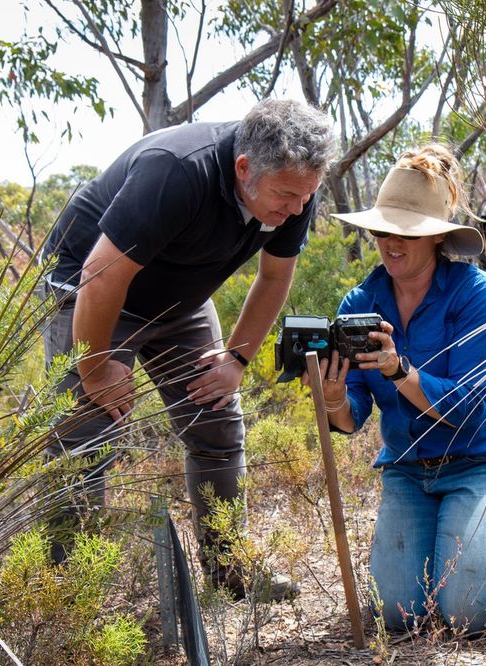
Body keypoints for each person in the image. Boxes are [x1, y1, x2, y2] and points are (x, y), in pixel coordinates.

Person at [41, 98, 335, 600]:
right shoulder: (177, 171)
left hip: (179, 300)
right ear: (244, 169)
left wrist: (236, 361)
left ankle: (230, 571)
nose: (297, 209)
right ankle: (66, 594)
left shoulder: (294, 190)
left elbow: (275, 275)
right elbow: (99, 273)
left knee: (217, 422)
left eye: (305, 196)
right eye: (287, 195)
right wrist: (93, 370)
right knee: (84, 436)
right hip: (91, 291)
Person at [307, 144, 486, 632]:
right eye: (383, 229)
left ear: (435, 239)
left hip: (485, 461)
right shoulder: (360, 302)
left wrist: (398, 369)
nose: (390, 242)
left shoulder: (478, 297)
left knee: (467, 611)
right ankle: (469, 547)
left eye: (405, 233)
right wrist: (332, 401)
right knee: (397, 614)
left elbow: (465, 412)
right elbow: (354, 415)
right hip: (410, 471)